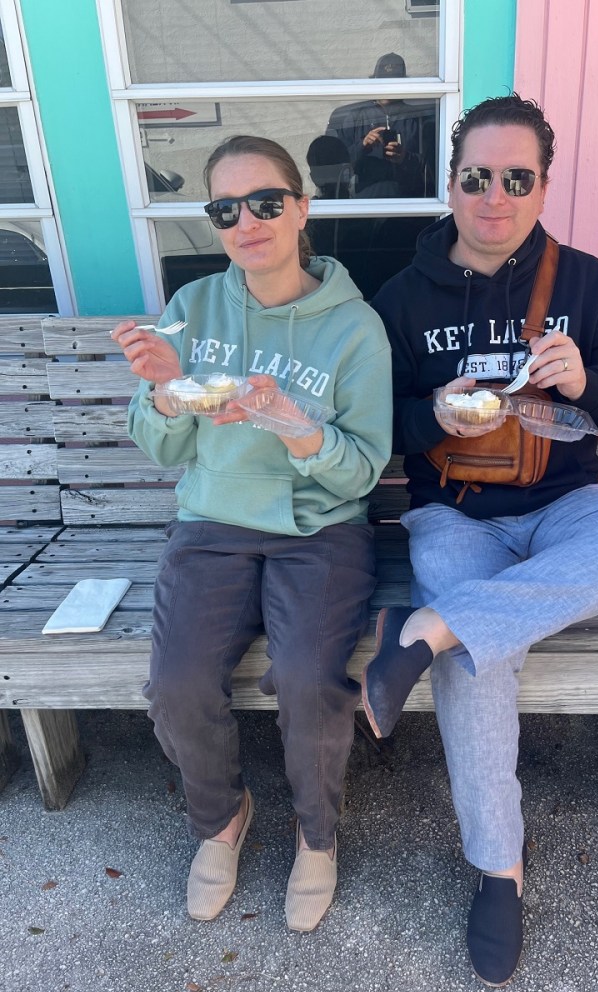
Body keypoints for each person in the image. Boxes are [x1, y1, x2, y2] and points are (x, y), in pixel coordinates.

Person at [364, 95, 598, 987]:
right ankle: (497, 870)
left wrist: (588, 378)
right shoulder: (401, 295)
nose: (496, 196)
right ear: (453, 183)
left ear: (543, 185)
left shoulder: (581, 281)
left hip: (567, 507)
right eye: (478, 177)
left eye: (517, 178)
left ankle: (423, 629)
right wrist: (431, 413)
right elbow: (373, 425)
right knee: (483, 658)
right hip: (454, 513)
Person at [111, 135, 392, 932]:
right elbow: (162, 445)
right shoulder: (192, 311)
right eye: (225, 209)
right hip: (211, 525)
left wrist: (291, 423)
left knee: (307, 678)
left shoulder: (354, 329)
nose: (248, 221)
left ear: (301, 209)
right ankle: (221, 816)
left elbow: (362, 472)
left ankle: (317, 834)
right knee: (176, 684)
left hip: (320, 531)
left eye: (266, 201)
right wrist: (165, 392)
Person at [325, 52, 435, 198]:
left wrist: (404, 157)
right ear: (374, 82)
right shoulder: (353, 117)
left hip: (409, 203)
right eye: (384, 82)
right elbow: (332, 166)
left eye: (394, 82)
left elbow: (433, 168)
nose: (389, 87)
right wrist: (362, 146)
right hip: (362, 203)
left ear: (404, 84)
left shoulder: (419, 119)